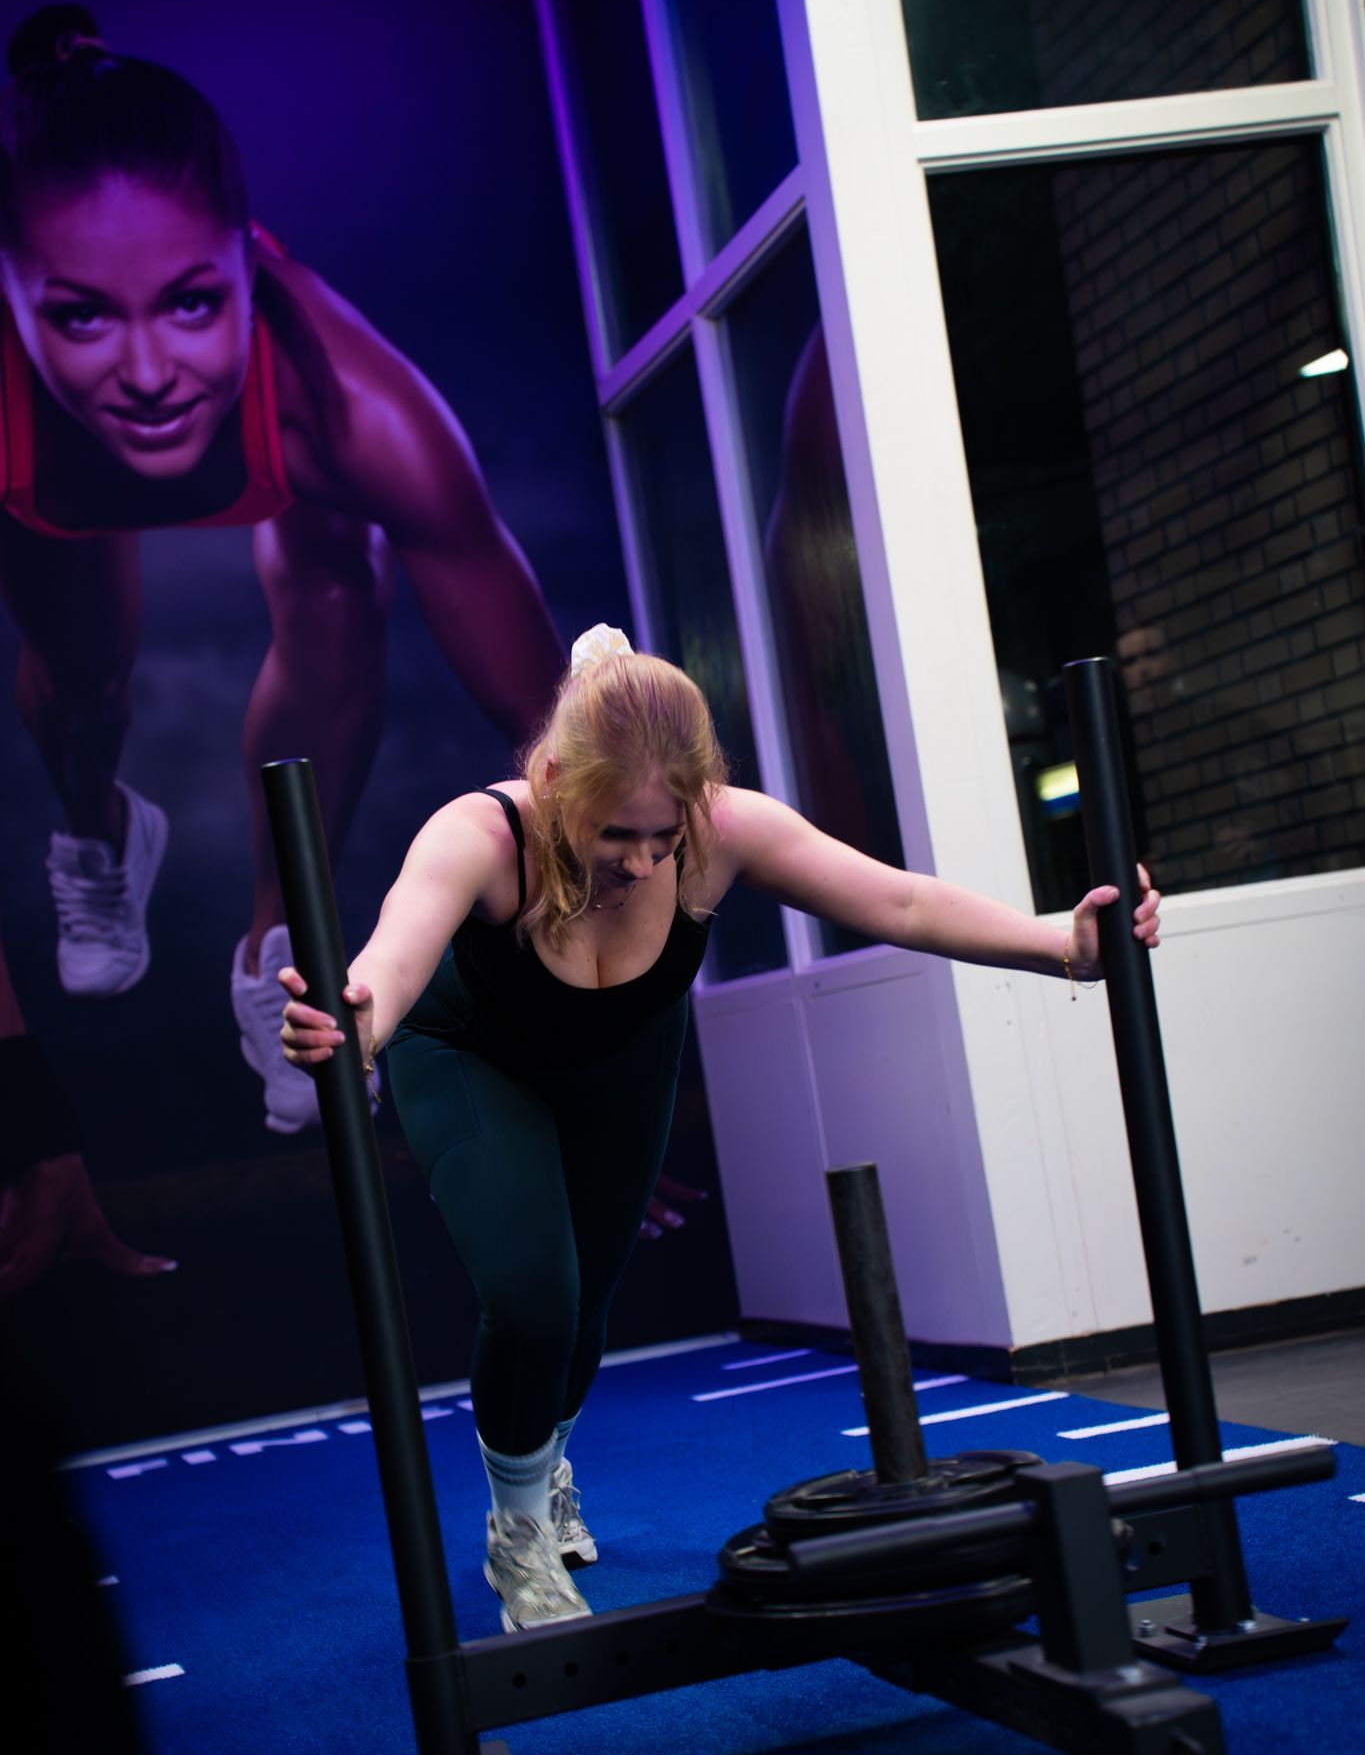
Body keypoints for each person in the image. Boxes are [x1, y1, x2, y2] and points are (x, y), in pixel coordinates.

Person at [280, 627, 1162, 1634]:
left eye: (666, 836)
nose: (645, 860)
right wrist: (358, 1021)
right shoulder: (482, 835)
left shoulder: (721, 829)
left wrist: (1063, 943)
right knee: (534, 1296)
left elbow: (900, 899)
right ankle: (519, 1527)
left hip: (620, 1056)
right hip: (471, 1050)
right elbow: (394, 949)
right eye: (618, 836)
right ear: (558, 779)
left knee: (586, 1305)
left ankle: (546, 1458)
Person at [0, 4, 563, 1144]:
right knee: (82, 683)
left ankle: (277, 947)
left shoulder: (357, 413)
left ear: (247, 265)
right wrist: (20, 1100)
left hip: (288, 473)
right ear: (12, 292)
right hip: (57, 488)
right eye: (81, 317)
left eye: (193, 302)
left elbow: (560, 744)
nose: (151, 371)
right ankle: (97, 823)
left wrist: (586, 1049)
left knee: (340, 576)